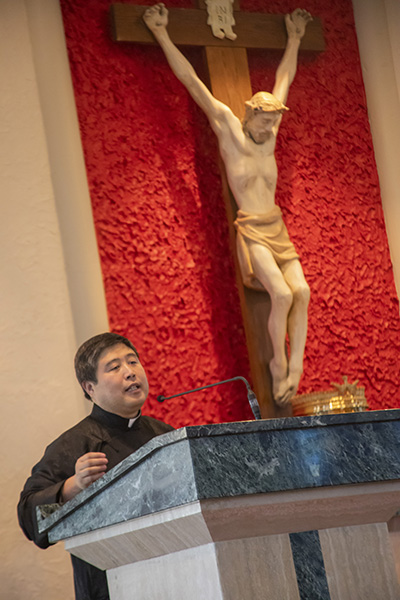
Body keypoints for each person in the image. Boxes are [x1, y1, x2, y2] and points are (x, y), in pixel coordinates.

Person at [143, 4, 311, 406]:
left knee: (302, 291)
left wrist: (295, 38)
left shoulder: (268, 135)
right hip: (252, 227)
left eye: (274, 122)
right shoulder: (228, 128)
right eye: (264, 121)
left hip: (276, 225)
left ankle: (297, 367)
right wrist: (163, 33)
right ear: (249, 114)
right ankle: (277, 365)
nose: (270, 129)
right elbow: (192, 82)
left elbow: (284, 78)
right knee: (282, 296)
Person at [18, 332, 174, 600]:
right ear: (90, 388)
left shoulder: (164, 434)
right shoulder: (73, 443)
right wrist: (72, 487)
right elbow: (29, 518)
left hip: (173, 571)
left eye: (133, 362)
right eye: (115, 367)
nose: (130, 372)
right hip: (109, 584)